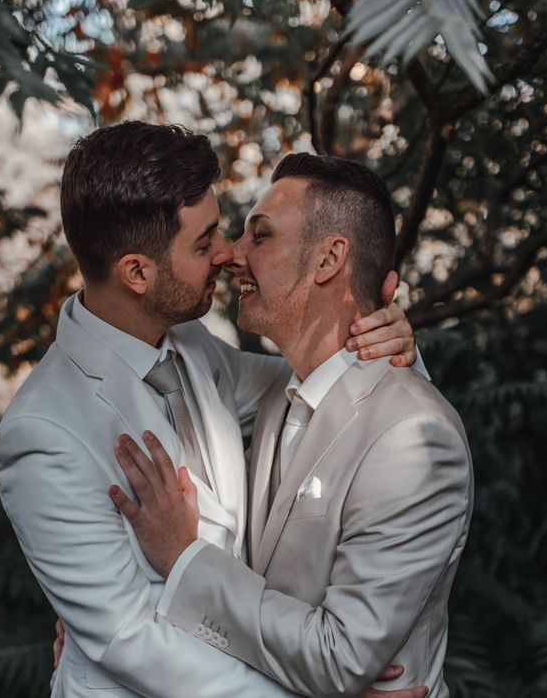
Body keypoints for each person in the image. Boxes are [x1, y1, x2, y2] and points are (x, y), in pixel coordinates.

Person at [0, 122, 427, 698]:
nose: (228, 254)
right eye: (204, 243)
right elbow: (129, 637)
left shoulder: (191, 347)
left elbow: (323, 389)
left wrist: (388, 344)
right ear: (137, 273)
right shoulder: (41, 432)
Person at [110, 153, 474, 697]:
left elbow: (340, 660)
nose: (232, 254)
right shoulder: (278, 395)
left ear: (328, 258)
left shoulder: (413, 439)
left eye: (261, 235)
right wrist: (95, 633)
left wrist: (186, 560)